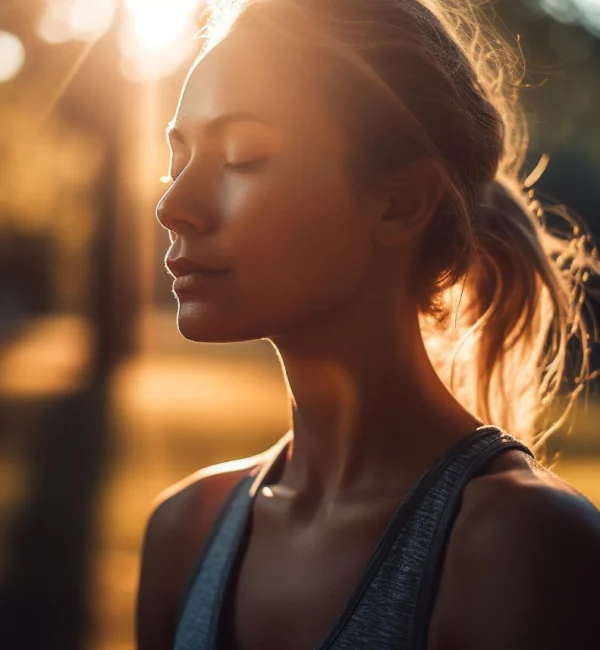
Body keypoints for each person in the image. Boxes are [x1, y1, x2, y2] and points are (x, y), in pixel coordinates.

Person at [136, 0, 600, 648]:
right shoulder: (183, 532)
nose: (172, 205)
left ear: (401, 203)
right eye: (177, 158)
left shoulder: (525, 547)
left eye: (240, 155)